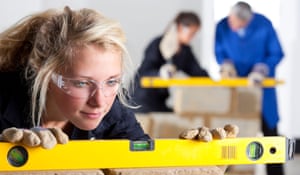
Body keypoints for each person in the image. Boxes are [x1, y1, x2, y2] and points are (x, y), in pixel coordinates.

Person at [0, 6, 237, 151]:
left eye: (111, 81)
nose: (100, 101)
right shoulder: (4, 98)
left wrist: (199, 162)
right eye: (82, 83)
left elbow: (144, 168)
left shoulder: (113, 114)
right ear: (46, 73)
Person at [214, 2, 284, 175]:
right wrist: (226, 65)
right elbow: (219, 51)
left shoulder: (263, 25)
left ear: (247, 21)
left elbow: (276, 52)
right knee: (232, 132)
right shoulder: (222, 26)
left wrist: (262, 68)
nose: (232, 25)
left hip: (262, 88)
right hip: (235, 89)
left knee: (269, 132)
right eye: (231, 19)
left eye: (236, 22)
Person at [132, 11, 209, 113]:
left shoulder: (185, 51)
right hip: (141, 100)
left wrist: (219, 80)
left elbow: (197, 72)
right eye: (191, 33)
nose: (192, 37)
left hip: (159, 101)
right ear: (181, 27)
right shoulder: (157, 44)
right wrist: (160, 73)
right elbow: (144, 73)